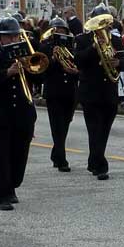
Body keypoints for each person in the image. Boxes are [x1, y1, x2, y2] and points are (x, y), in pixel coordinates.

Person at [0, 17, 37, 211]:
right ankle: (3, 195)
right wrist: (7, 73)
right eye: (9, 37)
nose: (13, 40)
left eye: (15, 37)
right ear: (0, 38)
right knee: (2, 156)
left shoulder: (25, 52)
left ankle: (12, 185)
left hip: (24, 111)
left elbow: (40, 75)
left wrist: (30, 67)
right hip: (1, 113)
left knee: (20, 154)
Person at [74, 5, 124, 181]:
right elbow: (78, 61)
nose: (103, 27)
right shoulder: (83, 39)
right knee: (94, 129)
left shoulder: (114, 40)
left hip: (109, 91)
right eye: (99, 23)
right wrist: (93, 47)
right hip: (90, 91)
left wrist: (118, 63)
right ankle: (101, 166)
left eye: (105, 23)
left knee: (104, 129)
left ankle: (94, 160)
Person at [39, 17, 78, 173]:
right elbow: (41, 70)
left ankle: (56, 153)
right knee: (57, 126)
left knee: (66, 123)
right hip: (54, 91)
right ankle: (61, 159)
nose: (59, 32)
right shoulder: (45, 46)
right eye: (56, 30)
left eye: (62, 30)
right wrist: (53, 59)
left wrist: (75, 70)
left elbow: (77, 65)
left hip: (70, 91)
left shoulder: (72, 46)